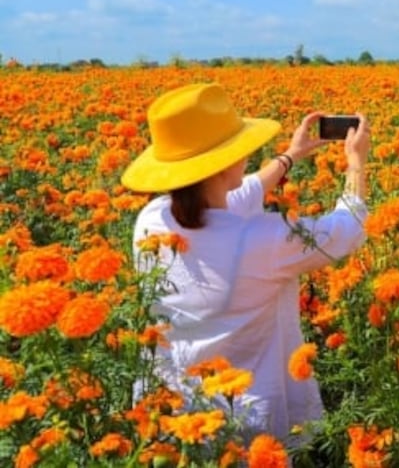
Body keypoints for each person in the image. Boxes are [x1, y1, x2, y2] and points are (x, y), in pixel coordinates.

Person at [120, 82, 370, 444]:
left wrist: (290, 157)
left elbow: (231, 198)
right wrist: (356, 163)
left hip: (171, 411)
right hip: (244, 421)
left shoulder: (152, 219)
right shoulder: (261, 242)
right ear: (224, 163)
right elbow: (347, 229)